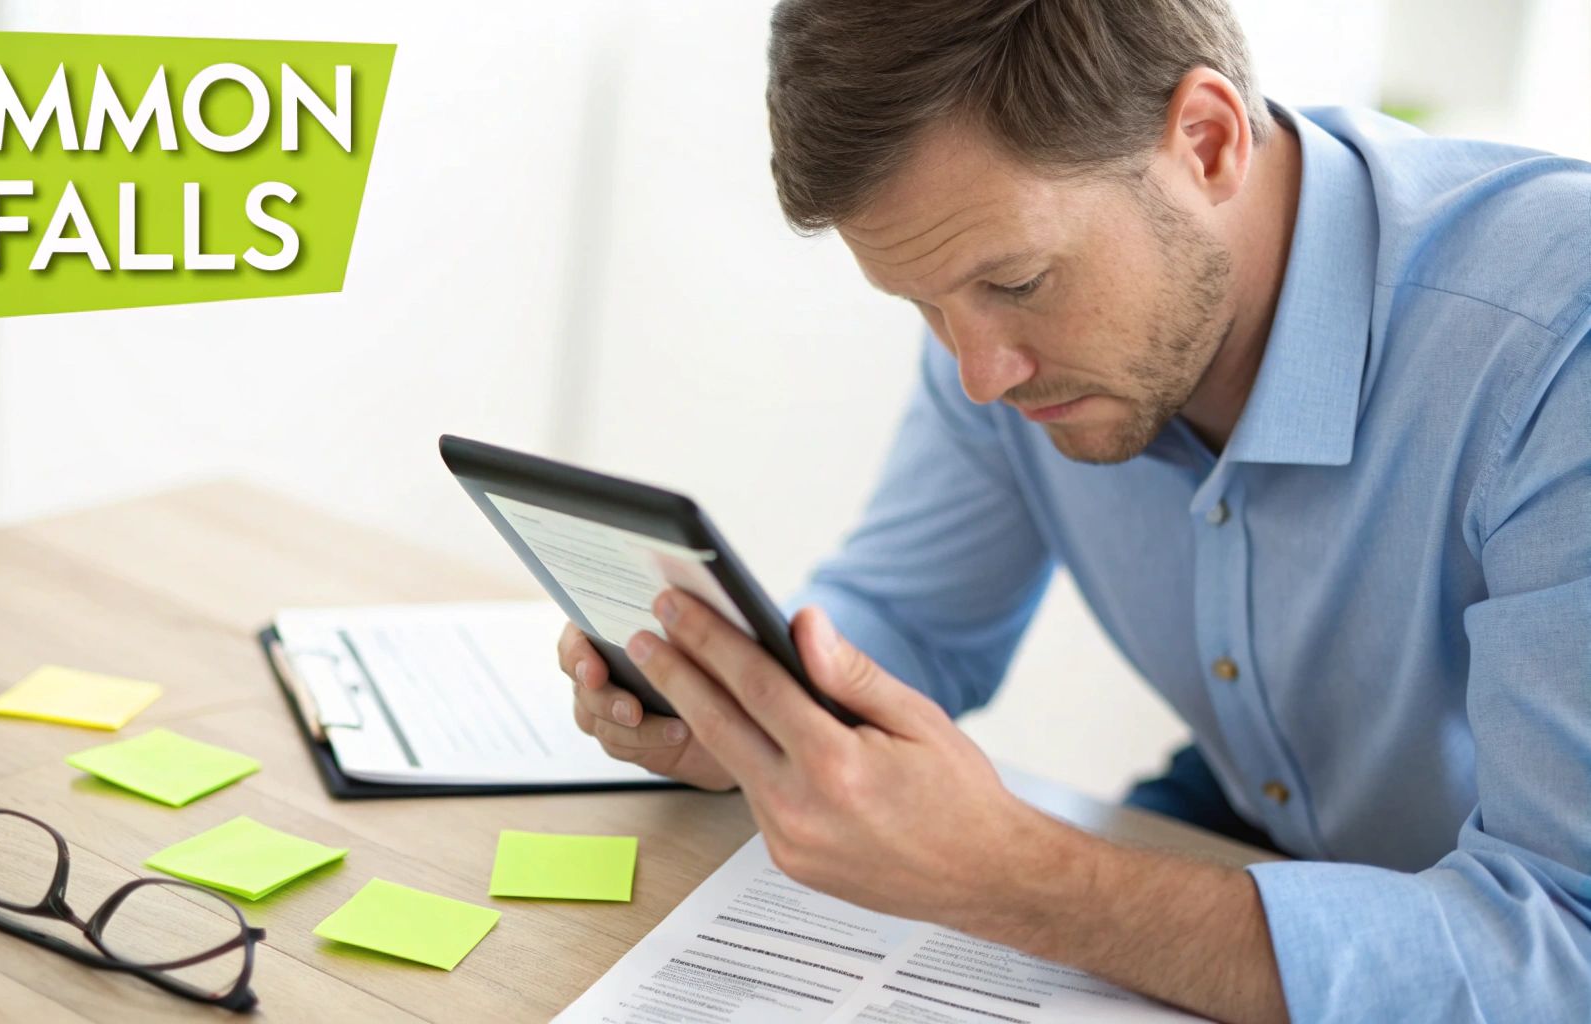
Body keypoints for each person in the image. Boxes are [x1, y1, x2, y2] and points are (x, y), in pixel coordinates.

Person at [562, 1, 1591, 1020]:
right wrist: (747, 715)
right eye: (923, 304)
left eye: (1016, 282)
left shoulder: (1556, 349)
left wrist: (1012, 874)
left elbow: (1565, 952)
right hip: (1249, 834)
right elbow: (911, 620)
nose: (979, 374)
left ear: (1206, 141)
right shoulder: (1004, 338)